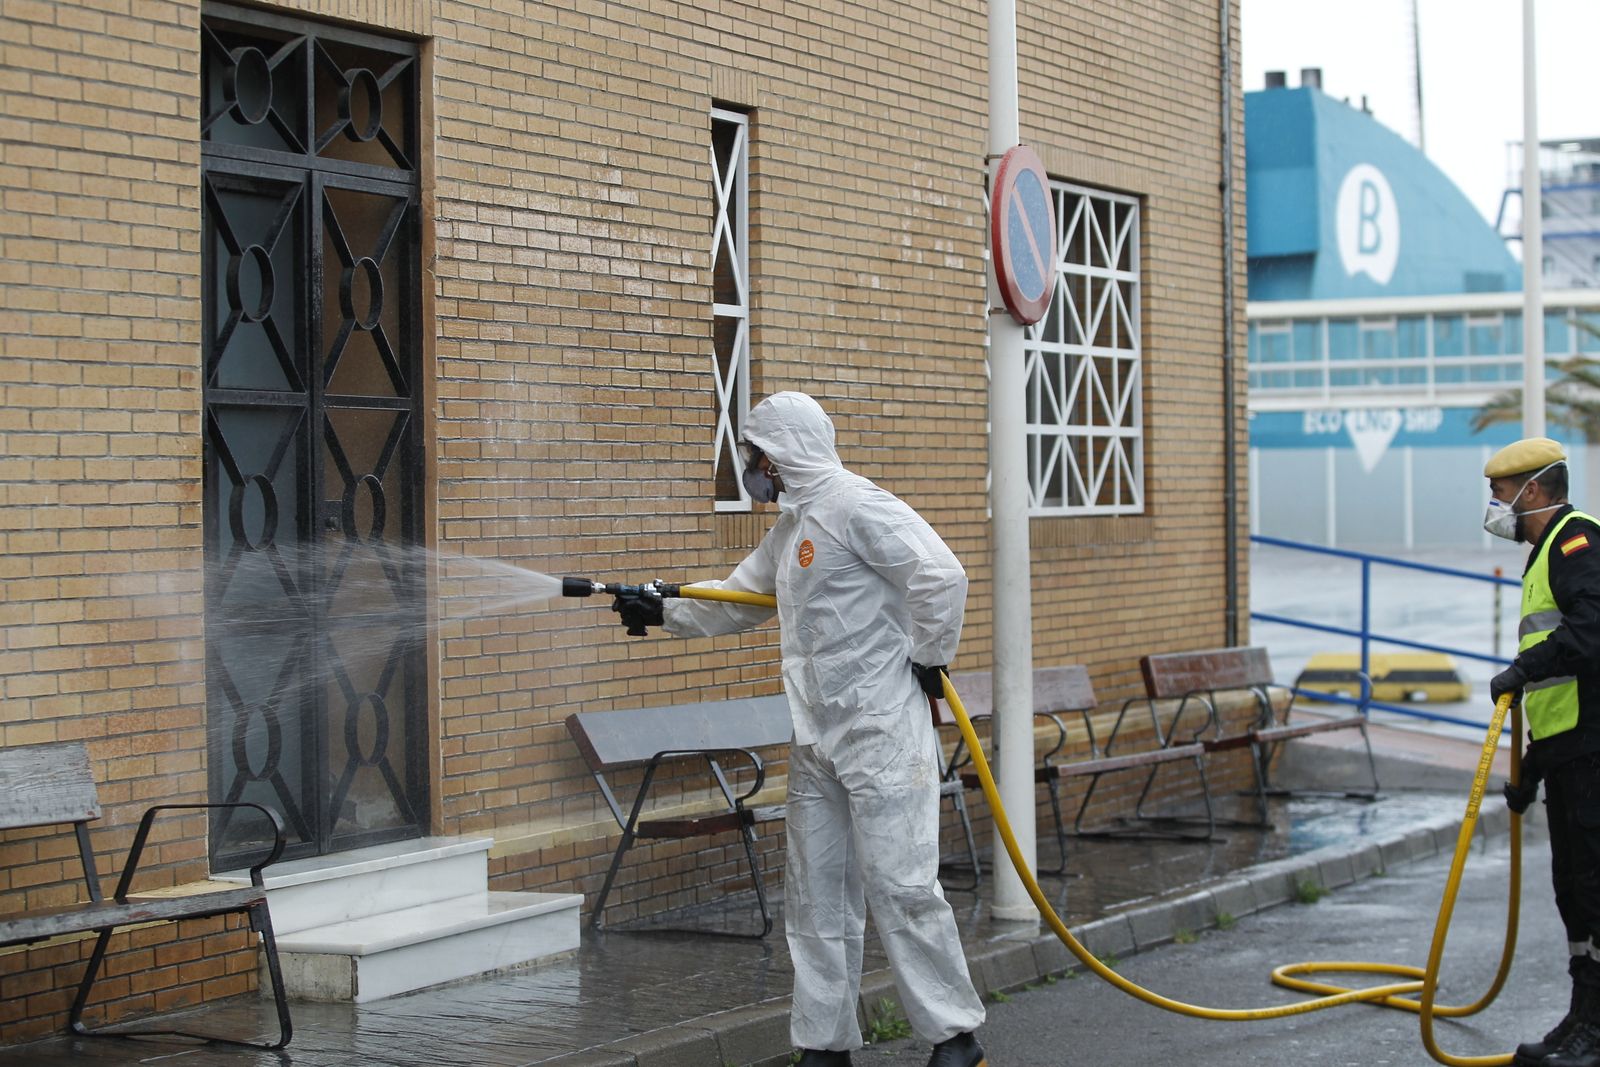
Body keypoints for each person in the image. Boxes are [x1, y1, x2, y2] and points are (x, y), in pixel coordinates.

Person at [612, 392, 987, 1067]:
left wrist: (930, 657)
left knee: (901, 885)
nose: (754, 468)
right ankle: (824, 1043)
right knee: (815, 897)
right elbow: (735, 600)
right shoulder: (791, 530)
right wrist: (660, 606)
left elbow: (941, 575)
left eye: (758, 455)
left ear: (785, 453)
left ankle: (955, 1038)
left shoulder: (857, 505)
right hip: (817, 737)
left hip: (880, 731)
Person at [1484, 438, 1600, 1067]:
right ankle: (1583, 1017)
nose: (1494, 507)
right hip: (1565, 752)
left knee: (1594, 887)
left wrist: (1524, 667)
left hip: (1593, 749)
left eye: (1499, 493)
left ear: (1532, 491)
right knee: (1572, 892)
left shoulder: (1578, 541)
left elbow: (1590, 632)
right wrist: (1529, 772)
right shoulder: (1542, 555)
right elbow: (1557, 692)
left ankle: (1599, 1031)